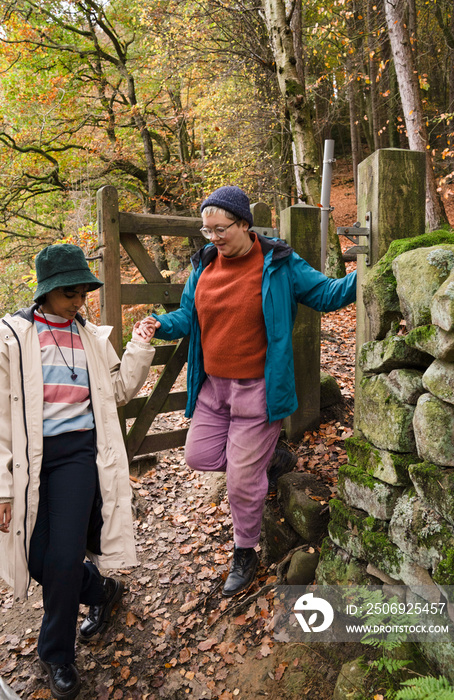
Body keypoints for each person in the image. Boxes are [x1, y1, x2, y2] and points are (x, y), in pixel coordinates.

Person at [147, 185, 357, 598]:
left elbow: (326, 294)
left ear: (244, 224)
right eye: (207, 231)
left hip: (259, 390)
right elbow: (187, 316)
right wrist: (157, 324)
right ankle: (269, 457)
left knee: (242, 482)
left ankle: (244, 551)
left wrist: (366, 273)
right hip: (212, 388)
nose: (214, 238)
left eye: (221, 229)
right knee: (199, 456)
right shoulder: (204, 265)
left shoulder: (279, 263)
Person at [0, 244, 156, 700]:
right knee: (38, 558)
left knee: (64, 557)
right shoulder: (12, 337)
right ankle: (101, 591)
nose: (79, 302)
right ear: (47, 292)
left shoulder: (91, 336)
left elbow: (120, 391)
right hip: (30, 461)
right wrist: (4, 490)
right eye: (70, 293)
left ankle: (57, 655)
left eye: (84, 292)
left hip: (77, 456)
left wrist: (141, 346)